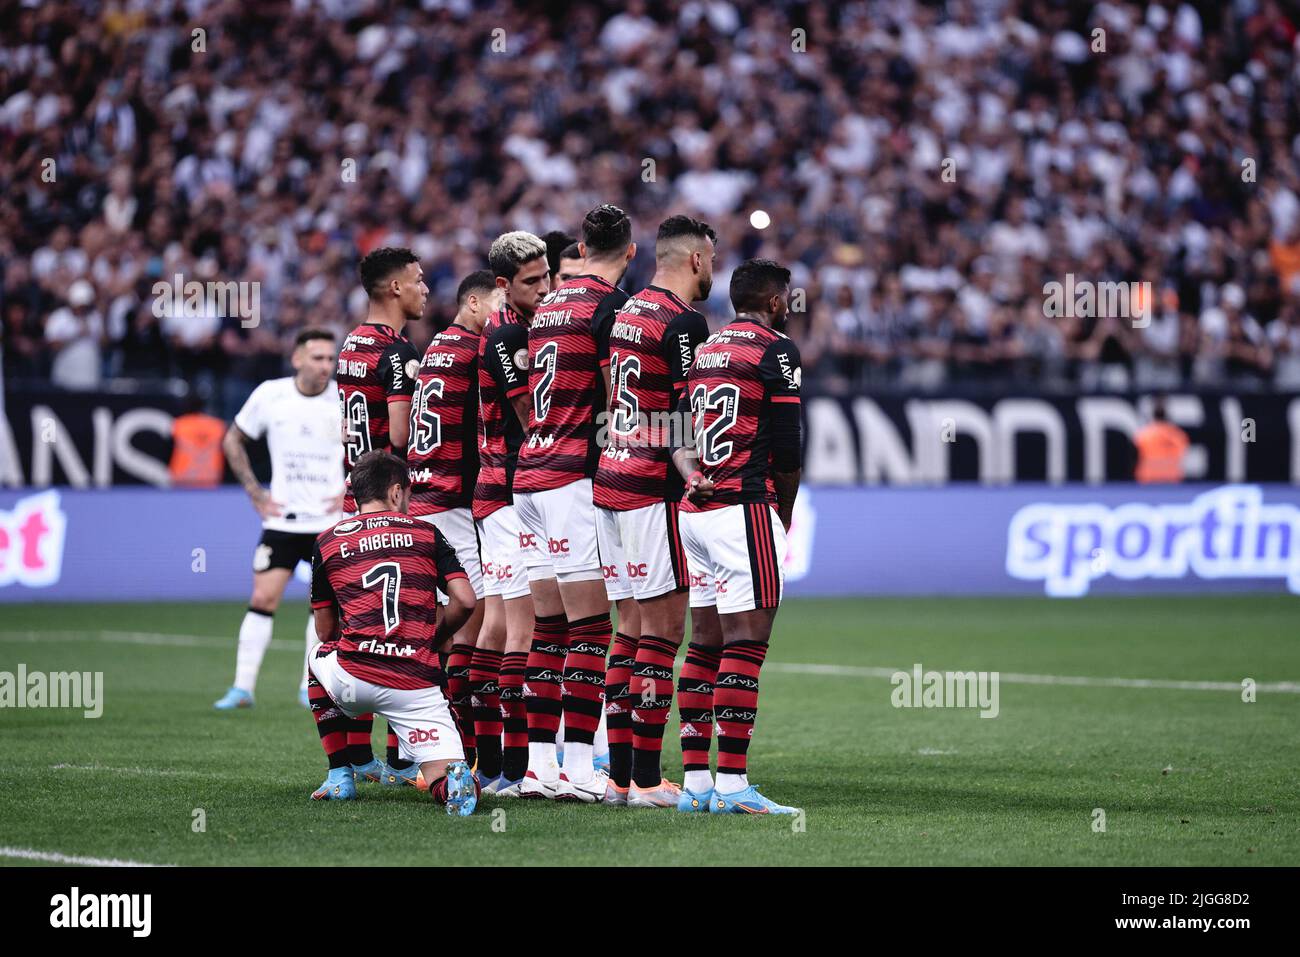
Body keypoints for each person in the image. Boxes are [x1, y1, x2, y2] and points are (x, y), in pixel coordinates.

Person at [512, 205, 638, 801]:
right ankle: (583, 771)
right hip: (570, 479)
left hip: (528, 478)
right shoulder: (612, 308)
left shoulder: (550, 304)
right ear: (631, 253)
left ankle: (539, 767)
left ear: (582, 250)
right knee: (590, 628)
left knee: (549, 629)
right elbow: (619, 398)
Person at [593, 214, 719, 807]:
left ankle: (620, 778)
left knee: (629, 634)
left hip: (609, 480)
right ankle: (647, 780)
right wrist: (697, 473)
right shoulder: (685, 321)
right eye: (712, 259)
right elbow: (690, 415)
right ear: (695, 259)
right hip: (650, 488)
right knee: (663, 637)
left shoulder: (626, 309)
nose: (713, 270)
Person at [671, 258, 804, 815]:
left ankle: (697, 783)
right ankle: (732, 787)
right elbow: (789, 447)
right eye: (788, 301)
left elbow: (676, 434)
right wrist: (785, 512)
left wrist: (689, 471)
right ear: (775, 302)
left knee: (703, 645)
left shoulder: (708, 348)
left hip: (694, 509)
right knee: (747, 646)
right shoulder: (776, 349)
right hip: (742, 509)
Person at [306, 451, 479, 815]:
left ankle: (340, 775)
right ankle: (451, 783)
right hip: (416, 683)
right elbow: (465, 600)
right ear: (397, 492)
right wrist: (433, 634)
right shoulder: (428, 533)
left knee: (317, 657)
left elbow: (325, 631)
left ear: (355, 494)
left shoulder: (327, 542)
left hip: (354, 677)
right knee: (444, 775)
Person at [332, 246, 426, 784]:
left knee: (354, 630)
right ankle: (402, 755)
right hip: (386, 504)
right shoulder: (394, 351)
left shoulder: (351, 343)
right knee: (399, 631)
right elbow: (397, 437)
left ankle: (353, 762)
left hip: (350, 499)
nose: (423, 289)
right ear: (394, 288)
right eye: (416, 281)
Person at [214, 329, 343, 710]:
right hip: (283, 521)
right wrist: (255, 492)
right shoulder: (271, 395)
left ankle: (309, 685)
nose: (325, 366)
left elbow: (375, 443)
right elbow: (232, 439)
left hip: (329, 521)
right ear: (297, 359)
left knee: (322, 608)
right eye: (317, 358)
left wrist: (351, 485)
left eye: (330, 359)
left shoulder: (344, 398)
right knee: (262, 597)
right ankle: (242, 688)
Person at [472, 231, 554, 795]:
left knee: (499, 626)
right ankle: (517, 767)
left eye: (547, 276)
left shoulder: (519, 325)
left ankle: (495, 765)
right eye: (532, 282)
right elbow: (530, 416)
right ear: (503, 285)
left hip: (498, 490)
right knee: (523, 627)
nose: (544, 287)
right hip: (507, 491)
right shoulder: (504, 332)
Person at [406, 270, 493, 776]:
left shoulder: (439, 345)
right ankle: (462, 756)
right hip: (454, 503)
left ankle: (426, 755)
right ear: (475, 301)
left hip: (423, 497)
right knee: (471, 627)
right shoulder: (474, 351)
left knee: (444, 635)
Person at [1134, 398, 1189, 484]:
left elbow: (1136, 454)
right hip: (1171, 475)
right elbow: (1182, 452)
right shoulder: (1178, 434)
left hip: (1148, 476)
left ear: (1153, 415)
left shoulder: (1144, 434)